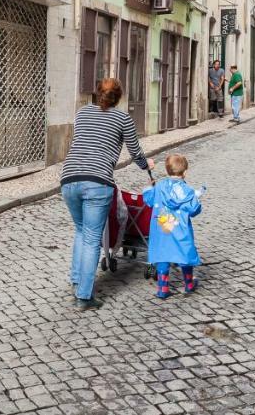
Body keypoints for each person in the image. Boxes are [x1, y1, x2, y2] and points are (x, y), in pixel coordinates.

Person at [61, 78, 154, 310]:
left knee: (81, 231)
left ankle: (76, 279)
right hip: (97, 181)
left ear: (96, 92)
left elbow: (83, 141)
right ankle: (84, 296)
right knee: (92, 238)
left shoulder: (82, 113)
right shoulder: (123, 119)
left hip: (69, 178)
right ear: (119, 97)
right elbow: (135, 151)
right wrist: (147, 165)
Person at [144, 153, 204, 299]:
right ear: (185, 172)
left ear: (167, 170)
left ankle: (163, 288)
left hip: (163, 226)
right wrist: (197, 199)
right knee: (184, 253)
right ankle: (189, 284)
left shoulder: (159, 186)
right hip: (180, 229)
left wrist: (149, 188)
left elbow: (149, 201)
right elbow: (194, 210)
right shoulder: (188, 191)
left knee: (163, 254)